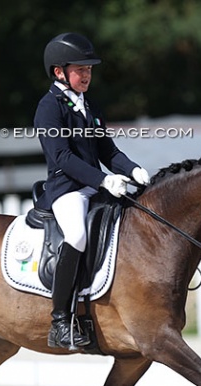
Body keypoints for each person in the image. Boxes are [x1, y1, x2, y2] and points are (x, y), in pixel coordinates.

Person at [34, 32, 151, 349]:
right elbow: (62, 157)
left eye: (89, 69)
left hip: (94, 187)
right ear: (59, 72)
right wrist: (101, 180)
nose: (86, 74)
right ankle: (60, 320)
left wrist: (132, 170)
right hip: (66, 189)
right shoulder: (49, 108)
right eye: (80, 69)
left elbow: (107, 152)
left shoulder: (90, 105)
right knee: (77, 236)